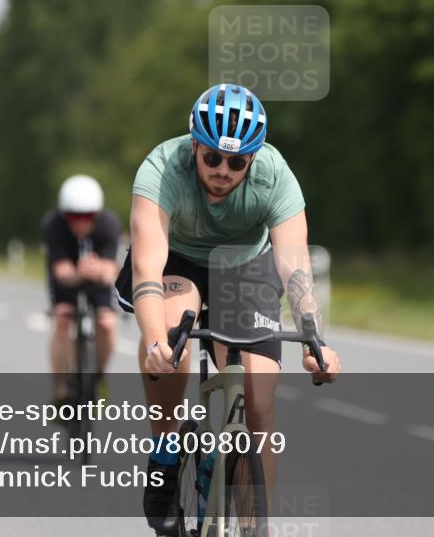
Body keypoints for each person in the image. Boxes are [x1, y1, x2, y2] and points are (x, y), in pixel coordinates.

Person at [114, 83, 342, 533]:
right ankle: (165, 449)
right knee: (171, 340)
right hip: (177, 259)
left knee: (259, 400)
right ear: (194, 145)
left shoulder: (276, 175)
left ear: (253, 159)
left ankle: (257, 526)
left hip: (244, 264)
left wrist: (314, 339)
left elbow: (294, 266)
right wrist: (157, 341)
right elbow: (146, 265)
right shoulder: (162, 168)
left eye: (236, 162)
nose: (222, 170)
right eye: (212, 157)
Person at [42, 175, 123, 403]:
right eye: (73, 216)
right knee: (62, 319)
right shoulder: (54, 225)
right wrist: (79, 272)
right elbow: (61, 271)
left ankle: (99, 376)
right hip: (68, 279)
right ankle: (59, 388)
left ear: (96, 214)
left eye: (87, 216)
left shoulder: (109, 224)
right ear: (64, 215)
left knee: (106, 322)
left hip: (97, 281)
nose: (80, 222)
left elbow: (111, 272)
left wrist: (98, 270)